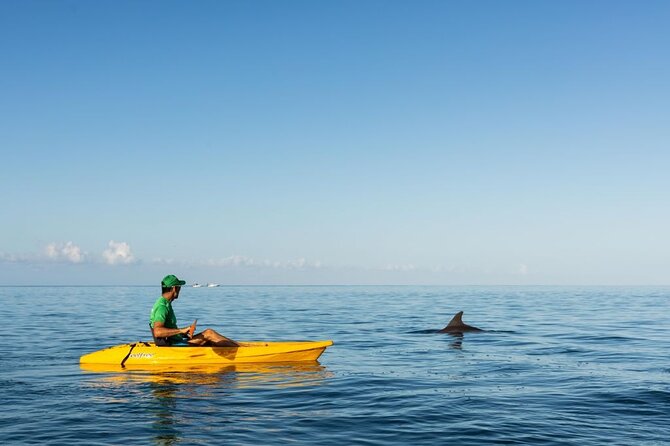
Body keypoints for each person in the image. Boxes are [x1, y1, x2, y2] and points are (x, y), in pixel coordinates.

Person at [150, 274, 238, 347]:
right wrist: (181, 330)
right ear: (174, 289)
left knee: (210, 339)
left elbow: (167, 330)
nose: (180, 289)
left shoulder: (165, 303)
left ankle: (237, 346)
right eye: (179, 287)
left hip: (177, 340)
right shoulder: (162, 306)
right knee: (209, 333)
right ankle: (240, 350)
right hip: (175, 345)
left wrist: (184, 333)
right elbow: (158, 332)